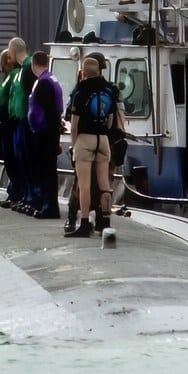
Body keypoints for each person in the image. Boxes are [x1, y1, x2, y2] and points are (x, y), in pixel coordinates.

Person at [65, 55, 120, 238]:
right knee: (104, 185)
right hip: (103, 139)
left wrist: (75, 145)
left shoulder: (81, 93)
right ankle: (105, 222)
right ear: (98, 71)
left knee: (85, 184)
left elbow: (74, 125)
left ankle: (84, 223)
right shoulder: (108, 91)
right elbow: (112, 119)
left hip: (85, 139)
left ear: (83, 73)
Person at [0, 39, 34, 211]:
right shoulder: (13, 76)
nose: (5, 62)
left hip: (19, 121)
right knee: (13, 160)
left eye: (8, 57)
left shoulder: (24, 70)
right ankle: (18, 194)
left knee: (22, 160)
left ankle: (25, 195)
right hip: (12, 121)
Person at [24, 49, 63, 220]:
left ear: (33, 64)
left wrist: (51, 131)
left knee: (46, 170)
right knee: (48, 170)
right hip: (48, 131)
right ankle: (47, 204)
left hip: (45, 132)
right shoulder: (51, 79)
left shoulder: (44, 83)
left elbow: (50, 110)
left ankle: (49, 206)